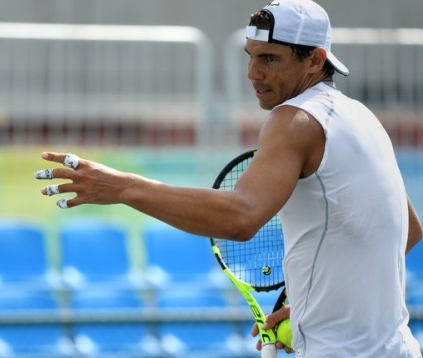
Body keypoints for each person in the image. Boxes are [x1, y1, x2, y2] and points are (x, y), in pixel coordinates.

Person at [35, 0, 423, 356]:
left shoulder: (293, 121)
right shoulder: (362, 117)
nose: (254, 72)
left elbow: (240, 217)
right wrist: (315, 304)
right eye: (251, 57)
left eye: (270, 58)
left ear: (315, 60)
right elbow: (410, 229)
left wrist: (124, 187)